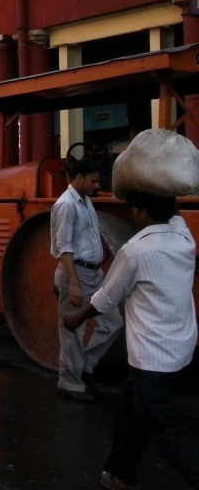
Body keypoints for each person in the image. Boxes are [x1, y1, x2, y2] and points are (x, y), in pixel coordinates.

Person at [63, 191, 199, 490]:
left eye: (135, 209)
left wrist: (78, 317)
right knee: (130, 409)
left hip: (152, 355)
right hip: (179, 347)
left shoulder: (135, 251)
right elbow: (173, 212)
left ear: (142, 213)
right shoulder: (184, 238)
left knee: (163, 426)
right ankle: (121, 474)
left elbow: (107, 297)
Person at [50, 158, 123, 401]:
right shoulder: (67, 205)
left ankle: (84, 367)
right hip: (78, 273)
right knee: (73, 330)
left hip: (93, 272)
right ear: (78, 178)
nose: (96, 184)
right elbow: (65, 248)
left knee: (113, 322)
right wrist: (72, 284)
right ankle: (70, 384)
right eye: (93, 180)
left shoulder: (86, 202)